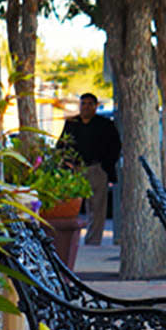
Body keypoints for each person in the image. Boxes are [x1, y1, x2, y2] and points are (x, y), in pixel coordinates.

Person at [57, 92, 121, 245]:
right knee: (70, 205)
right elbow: (61, 145)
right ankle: (69, 240)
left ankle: (93, 241)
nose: (86, 107)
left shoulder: (105, 124)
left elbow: (115, 146)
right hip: (75, 170)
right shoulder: (72, 123)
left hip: (96, 168)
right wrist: (65, 163)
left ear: (95, 106)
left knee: (97, 207)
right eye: (83, 104)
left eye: (89, 104)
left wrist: (106, 166)